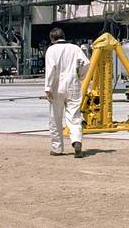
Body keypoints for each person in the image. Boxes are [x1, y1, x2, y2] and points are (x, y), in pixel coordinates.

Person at [44, 26, 90, 157]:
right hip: (73, 84)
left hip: (56, 86)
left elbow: (51, 70)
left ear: (52, 38)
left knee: (55, 117)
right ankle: (76, 140)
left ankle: (57, 148)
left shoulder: (51, 50)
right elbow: (86, 64)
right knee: (74, 116)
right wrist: (80, 76)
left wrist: (48, 88)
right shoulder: (75, 48)